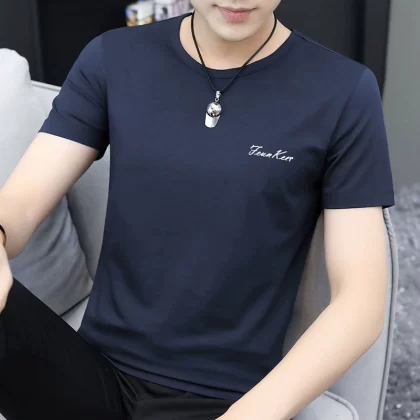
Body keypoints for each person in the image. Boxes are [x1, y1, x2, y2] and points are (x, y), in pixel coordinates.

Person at [0, 1, 395, 419]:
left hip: (220, 399)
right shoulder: (113, 57)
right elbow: (20, 205)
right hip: (90, 371)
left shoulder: (343, 90)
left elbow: (360, 303)